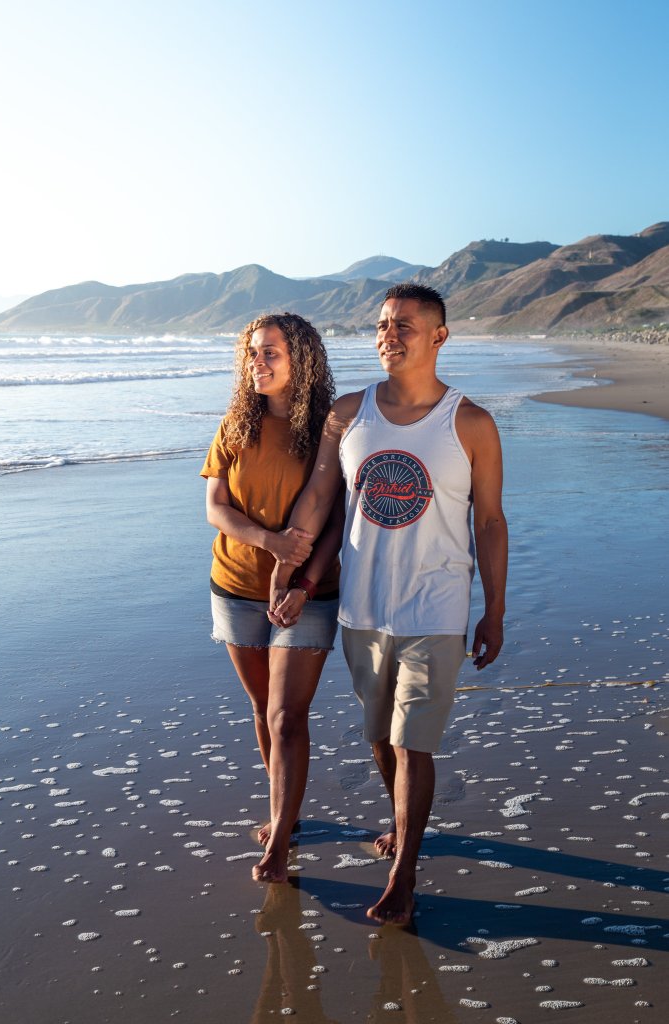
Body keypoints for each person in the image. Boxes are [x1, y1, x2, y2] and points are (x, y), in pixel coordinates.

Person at [270, 283, 508, 925]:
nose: (388, 335)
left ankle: (404, 877)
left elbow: (489, 522)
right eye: (381, 325)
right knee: (381, 737)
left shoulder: (471, 424)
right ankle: (402, 826)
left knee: (411, 744)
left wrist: (494, 610)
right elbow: (320, 499)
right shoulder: (348, 413)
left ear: (439, 336)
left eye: (404, 325)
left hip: (436, 610)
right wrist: (287, 569)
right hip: (362, 610)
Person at [201, 312, 343, 884]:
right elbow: (215, 507)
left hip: (310, 593)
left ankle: (281, 838)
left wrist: (302, 581)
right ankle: (283, 809)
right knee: (262, 710)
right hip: (235, 586)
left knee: (287, 717)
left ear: (301, 358)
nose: (257, 363)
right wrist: (270, 541)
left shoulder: (330, 427)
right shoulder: (237, 423)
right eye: (252, 354)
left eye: (271, 353)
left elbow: (336, 518)